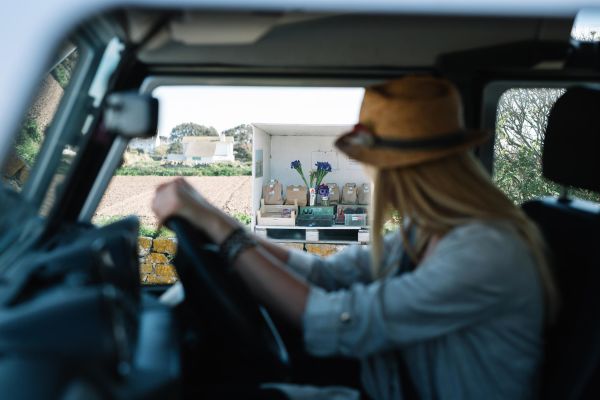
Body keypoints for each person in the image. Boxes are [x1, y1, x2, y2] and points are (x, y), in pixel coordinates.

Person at [152, 76, 557, 399]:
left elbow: (340, 322)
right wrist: (217, 220)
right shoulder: (426, 231)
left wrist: (223, 234)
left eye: (373, 164)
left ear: (401, 171)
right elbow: (327, 276)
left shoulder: (484, 250)